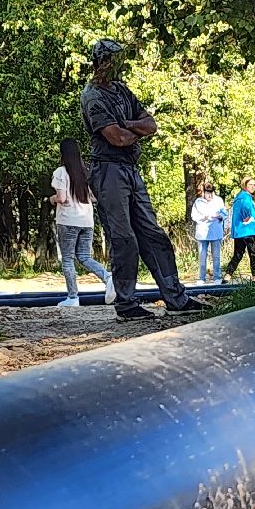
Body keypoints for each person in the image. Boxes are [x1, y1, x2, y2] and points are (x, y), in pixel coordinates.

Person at [80, 39, 209, 320]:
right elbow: (117, 137)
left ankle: (176, 297)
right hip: (108, 171)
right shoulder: (92, 97)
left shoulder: (123, 91)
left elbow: (151, 123)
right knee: (123, 238)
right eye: (115, 59)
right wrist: (135, 129)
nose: (120, 64)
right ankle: (126, 304)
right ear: (102, 61)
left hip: (130, 170)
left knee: (153, 235)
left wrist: (130, 126)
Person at [49, 138, 116, 308]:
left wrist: (52, 199)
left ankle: (73, 297)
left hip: (68, 220)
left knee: (68, 259)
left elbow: (62, 198)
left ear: (63, 153)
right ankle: (107, 277)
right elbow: (94, 197)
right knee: (85, 256)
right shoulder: (86, 172)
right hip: (86, 220)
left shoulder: (61, 172)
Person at [189, 182, 227, 283]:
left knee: (216, 256)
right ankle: (202, 277)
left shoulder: (218, 201)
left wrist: (219, 216)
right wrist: (203, 217)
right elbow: (194, 215)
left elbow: (224, 213)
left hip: (215, 231)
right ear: (204, 193)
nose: (209, 195)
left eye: (211, 193)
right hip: (202, 232)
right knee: (202, 256)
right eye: (207, 193)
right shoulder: (198, 202)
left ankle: (217, 277)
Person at [227, 177, 255, 278]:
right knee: (253, 254)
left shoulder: (238, 197)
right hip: (250, 230)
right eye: (250, 184)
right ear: (245, 185)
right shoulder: (246, 197)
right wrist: (248, 217)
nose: (253, 187)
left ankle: (228, 274)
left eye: (254, 185)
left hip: (240, 231)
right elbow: (246, 208)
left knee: (238, 254)